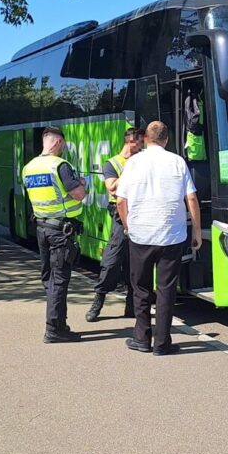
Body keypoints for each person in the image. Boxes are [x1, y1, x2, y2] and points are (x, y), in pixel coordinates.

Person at [116, 121, 202, 356]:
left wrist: (127, 225)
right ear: (166, 140)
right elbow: (191, 199)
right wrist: (196, 232)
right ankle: (162, 343)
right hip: (171, 236)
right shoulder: (177, 162)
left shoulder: (133, 163)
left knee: (141, 288)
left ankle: (141, 339)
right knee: (166, 290)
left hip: (141, 235)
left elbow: (120, 201)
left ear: (145, 139)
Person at [20, 126, 87, 344]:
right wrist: (83, 186)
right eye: (63, 144)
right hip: (60, 231)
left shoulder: (28, 167)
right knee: (59, 279)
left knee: (49, 278)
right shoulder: (60, 165)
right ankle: (54, 329)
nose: (64, 148)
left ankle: (59, 324)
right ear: (58, 142)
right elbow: (77, 195)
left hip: (41, 228)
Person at [85, 126, 145, 322]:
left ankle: (131, 306)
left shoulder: (142, 161)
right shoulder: (113, 163)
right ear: (132, 142)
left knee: (135, 263)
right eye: (141, 143)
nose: (143, 147)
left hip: (140, 212)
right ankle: (98, 301)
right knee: (112, 260)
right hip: (121, 215)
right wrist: (130, 169)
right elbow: (111, 187)